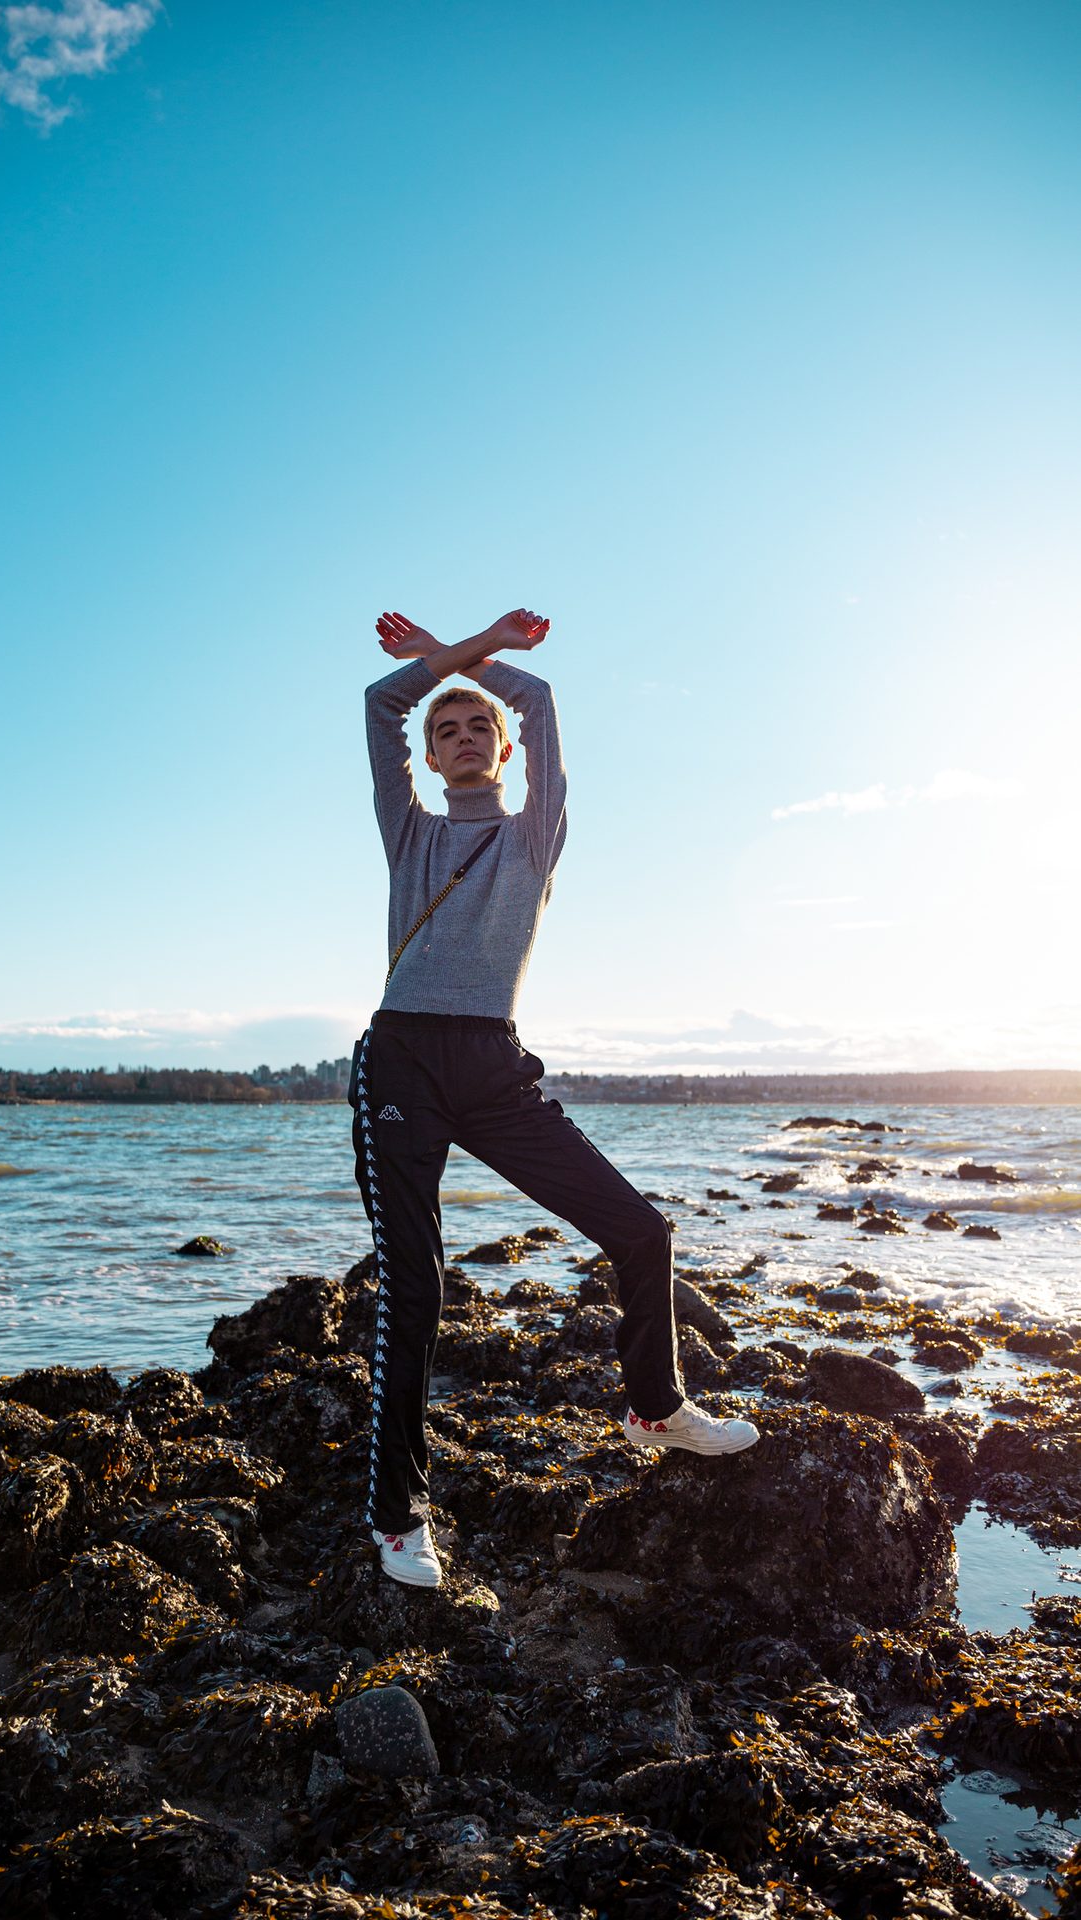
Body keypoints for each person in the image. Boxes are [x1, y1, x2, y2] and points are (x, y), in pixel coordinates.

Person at [351, 607, 757, 1588]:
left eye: (473, 726)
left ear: (499, 743)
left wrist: (483, 650)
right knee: (415, 1292)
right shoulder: (407, 832)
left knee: (640, 1231)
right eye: (441, 729)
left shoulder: (535, 834)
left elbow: (541, 700)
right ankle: (398, 1517)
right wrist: (431, 664)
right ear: (429, 754)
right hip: (402, 1061)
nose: (457, 737)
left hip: (494, 1067)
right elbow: (379, 702)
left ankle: (655, 1407)